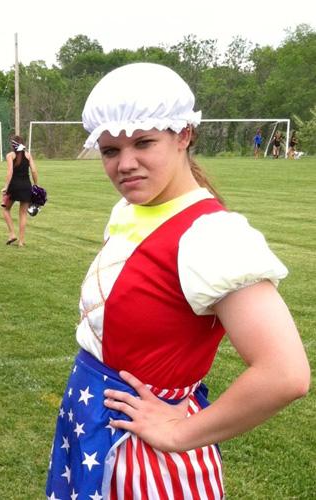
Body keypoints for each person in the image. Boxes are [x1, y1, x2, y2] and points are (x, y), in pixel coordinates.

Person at [45, 63, 310, 499]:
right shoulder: (130, 212)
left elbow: (286, 374)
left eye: (144, 143)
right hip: (93, 422)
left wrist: (179, 433)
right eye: (111, 151)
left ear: (184, 134)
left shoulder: (212, 236)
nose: (125, 164)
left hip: (143, 455)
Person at [1, 135, 38, 247]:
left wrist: (6, 187)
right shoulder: (28, 155)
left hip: (14, 186)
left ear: (13, 145)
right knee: (23, 214)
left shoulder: (10, 156)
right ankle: (21, 242)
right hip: (26, 186)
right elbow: (34, 171)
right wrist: (36, 185)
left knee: (5, 209)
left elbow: (10, 172)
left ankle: (12, 234)